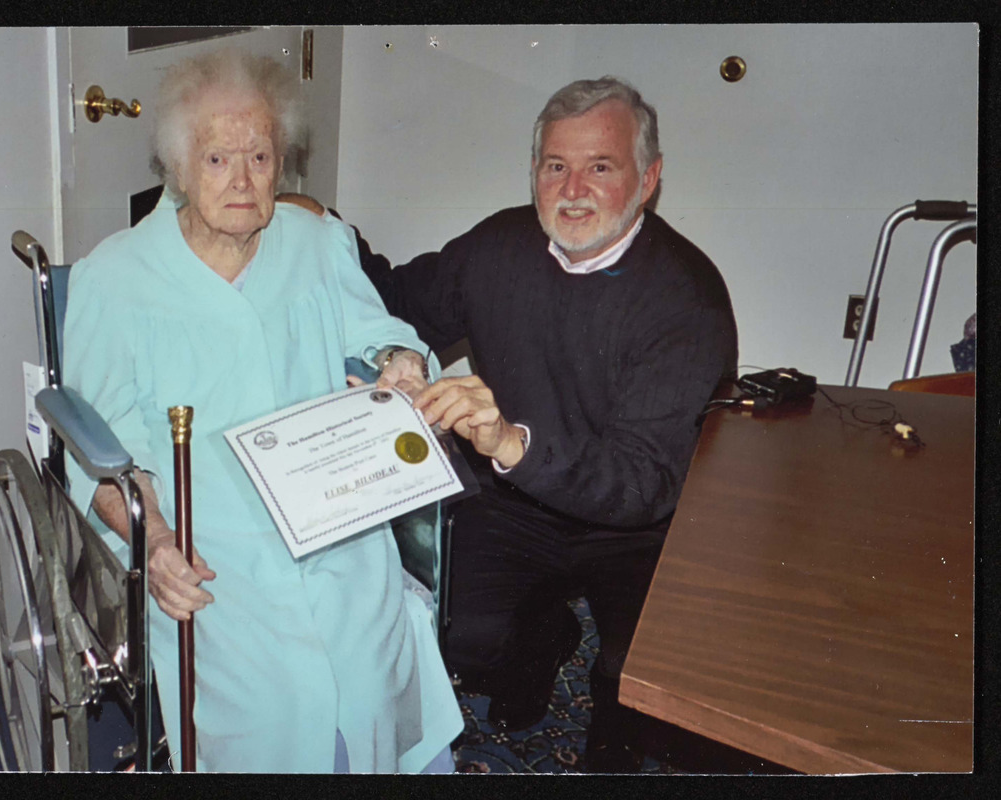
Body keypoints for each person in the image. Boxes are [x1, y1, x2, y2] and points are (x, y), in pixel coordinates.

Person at [64, 48, 462, 773]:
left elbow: (382, 336)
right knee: (269, 708)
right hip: (207, 542)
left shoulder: (317, 244)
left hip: (331, 514)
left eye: (260, 155)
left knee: (370, 672)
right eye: (217, 159)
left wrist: (398, 363)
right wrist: (155, 543)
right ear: (178, 169)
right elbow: (101, 452)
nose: (242, 180)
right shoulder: (112, 280)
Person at [355, 77, 738, 772]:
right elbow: (394, 294)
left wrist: (508, 443)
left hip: (637, 528)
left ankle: (609, 719)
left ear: (647, 179)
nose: (572, 189)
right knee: (455, 637)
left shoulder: (687, 302)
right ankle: (544, 635)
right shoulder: (498, 248)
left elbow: (641, 482)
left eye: (601, 167)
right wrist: (320, 234)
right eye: (554, 166)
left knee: (638, 687)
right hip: (516, 503)